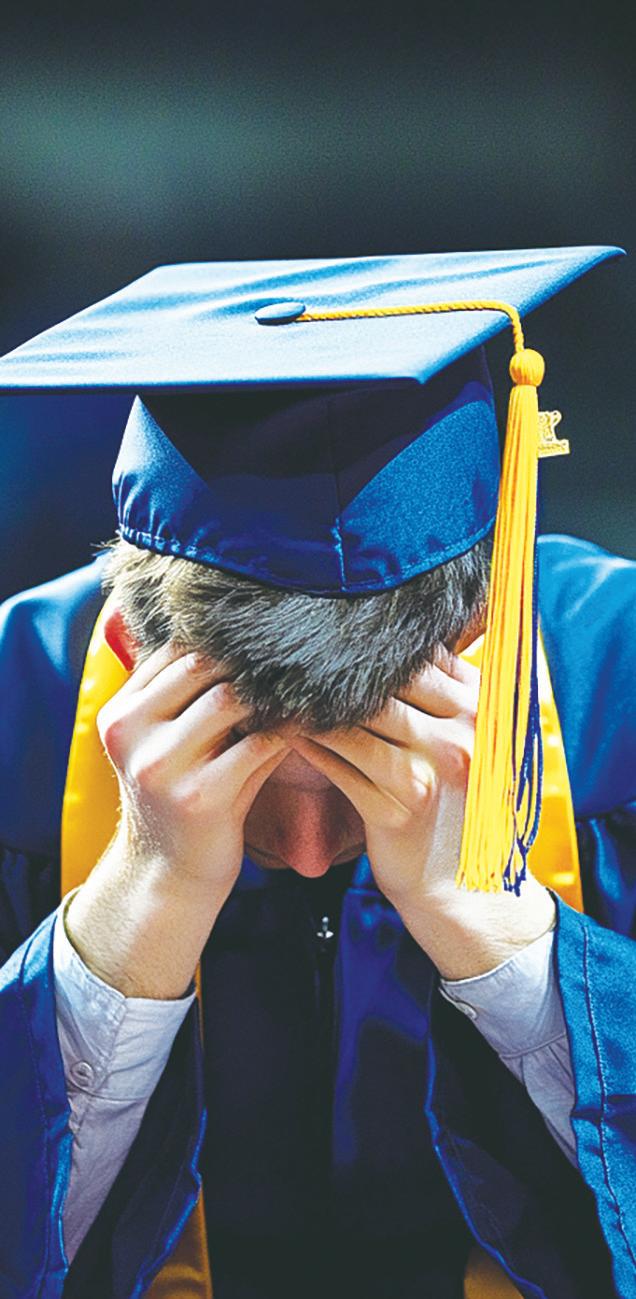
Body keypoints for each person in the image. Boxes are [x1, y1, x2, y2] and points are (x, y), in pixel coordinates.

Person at [0, 247, 634, 1299]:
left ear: (477, 644)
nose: (304, 856)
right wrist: (127, 921)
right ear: (127, 652)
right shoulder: (18, 707)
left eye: (356, 784)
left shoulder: (616, 688)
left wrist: (506, 938)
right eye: (247, 786)